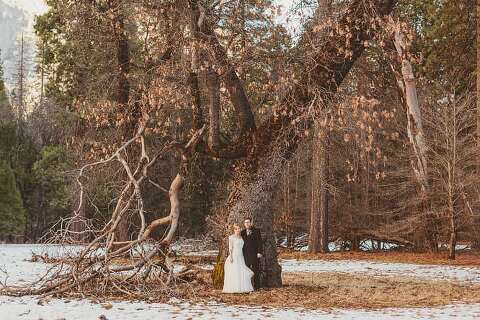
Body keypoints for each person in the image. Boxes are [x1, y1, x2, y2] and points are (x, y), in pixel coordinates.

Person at [222, 224, 254, 293]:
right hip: (234, 256)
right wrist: (231, 257)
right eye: (236, 229)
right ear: (234, 230)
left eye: (239, 228)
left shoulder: (242, 237)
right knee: (235, 272)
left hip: (241, 256)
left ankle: (242, 288)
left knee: (241, 271)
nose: (238, 230)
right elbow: (230, 248)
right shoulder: (231, 237)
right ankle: (234, 288)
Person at [240, 217, 263, 290]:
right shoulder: (242, 232)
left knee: (256, 270)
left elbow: (260, 242)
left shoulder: (256, 231)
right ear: (244, 224)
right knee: (246, 270)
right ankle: (247, 286)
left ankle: (257, 286)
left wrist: (259, 252)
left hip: (255, 254)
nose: (247, 224)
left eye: (248, 222)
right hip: (246, 254)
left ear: (251, 223)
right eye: (245, 222)